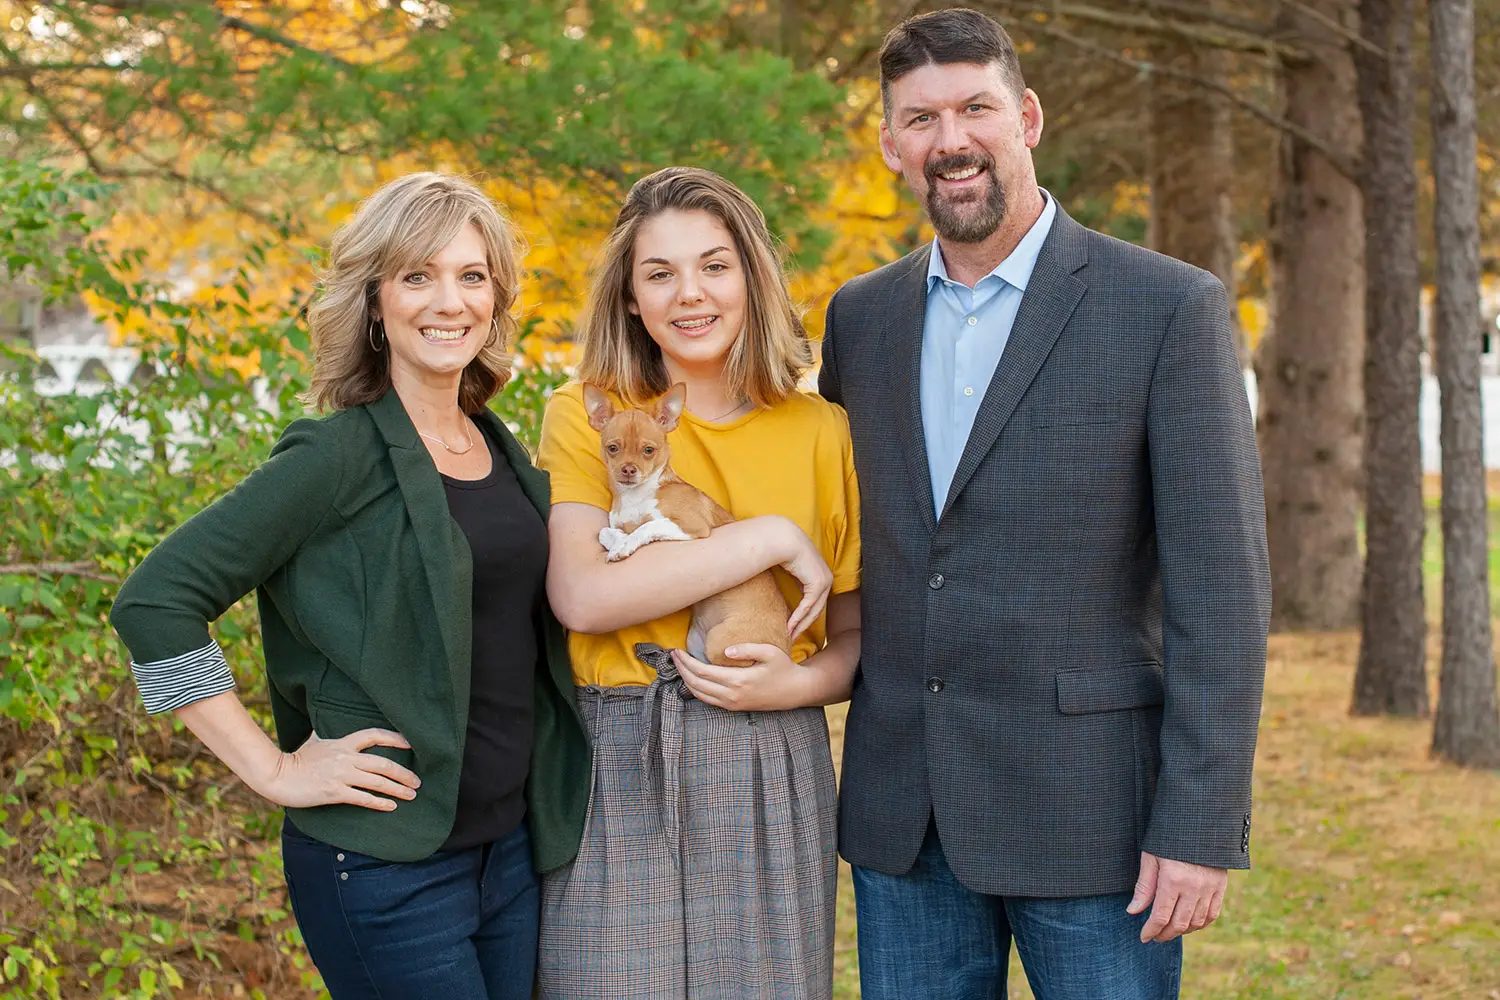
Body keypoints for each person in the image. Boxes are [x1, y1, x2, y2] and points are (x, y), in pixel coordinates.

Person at [817, 9, 1272, 999]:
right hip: (907, 818)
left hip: (1094, 820)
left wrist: (1197, 825)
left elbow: (1221, 596)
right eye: (921, 118)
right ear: (892, 146)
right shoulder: (860, 319)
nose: (952, 140)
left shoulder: (1168, 309)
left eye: (975, 107)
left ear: (1025, 116)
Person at [108, 172, 590, 999]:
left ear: (497, 298)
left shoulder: (503, 451)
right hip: (384, 868)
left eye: (472, 277)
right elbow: (154, 603)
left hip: (508, 856)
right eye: (417, 276)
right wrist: (274, 769)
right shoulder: (334, 457)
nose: (449, 301)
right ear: (374, 301)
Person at [535, 165, 861, 1000]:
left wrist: (800, 683)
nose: (691, 294)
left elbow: (856, 633)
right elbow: (586, 595)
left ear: (751, 277)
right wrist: (770, 538)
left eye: (715, 266)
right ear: (631, 298)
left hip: (768, 751)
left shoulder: (823, 431)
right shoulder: (590, 416)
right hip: (616, 744)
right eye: (660, 272)